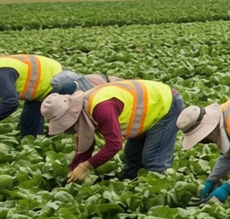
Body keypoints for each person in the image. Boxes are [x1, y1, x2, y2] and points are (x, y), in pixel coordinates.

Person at [43, 78, 185, 182]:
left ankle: (160, 199)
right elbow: (84, 148)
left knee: (153, 160)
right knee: (132, 158)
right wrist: (73, 171)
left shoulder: (101, 108)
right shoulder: (83, 110)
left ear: (71, 115)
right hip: (147, 111)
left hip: (166, 104)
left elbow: (114, 145)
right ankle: (135, 191)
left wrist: (85, 167)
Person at [0, 55, 82, 139]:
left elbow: (11, 103)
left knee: (66, 120)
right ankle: (38, 143)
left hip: (58, 79)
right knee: (28, 130)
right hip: (39, 91)